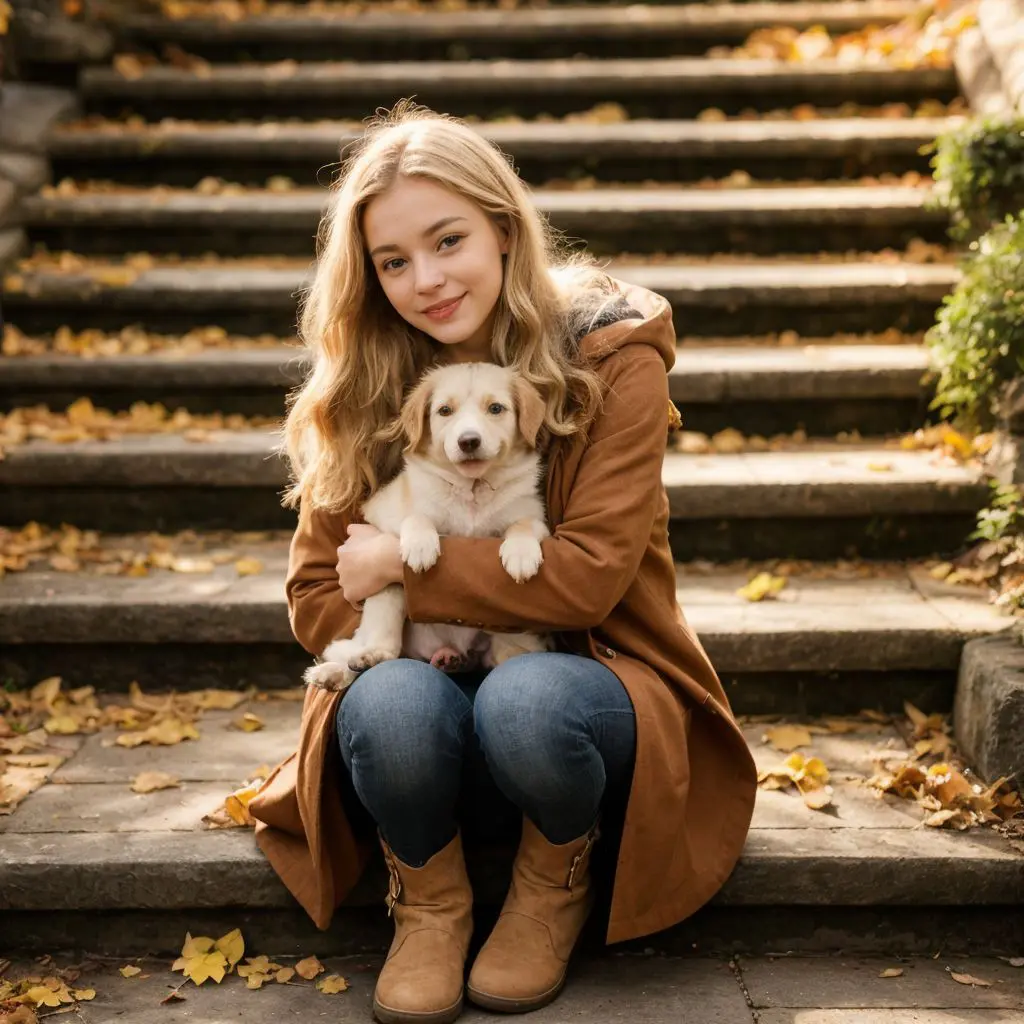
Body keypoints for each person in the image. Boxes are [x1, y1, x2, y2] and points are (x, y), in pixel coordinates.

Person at [249, 100, 757, 1024]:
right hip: (422, 724)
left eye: (448, 241)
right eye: (392, 261)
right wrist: (405, 632)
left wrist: (407, 573)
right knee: (394, 704)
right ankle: (432, 902)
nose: (426, 281)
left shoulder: (611, 353)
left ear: (506, 228)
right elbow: (321, 590)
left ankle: (551, 885)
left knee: (529, 699)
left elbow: (589, 576)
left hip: (581, 706)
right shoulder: (371, 380)